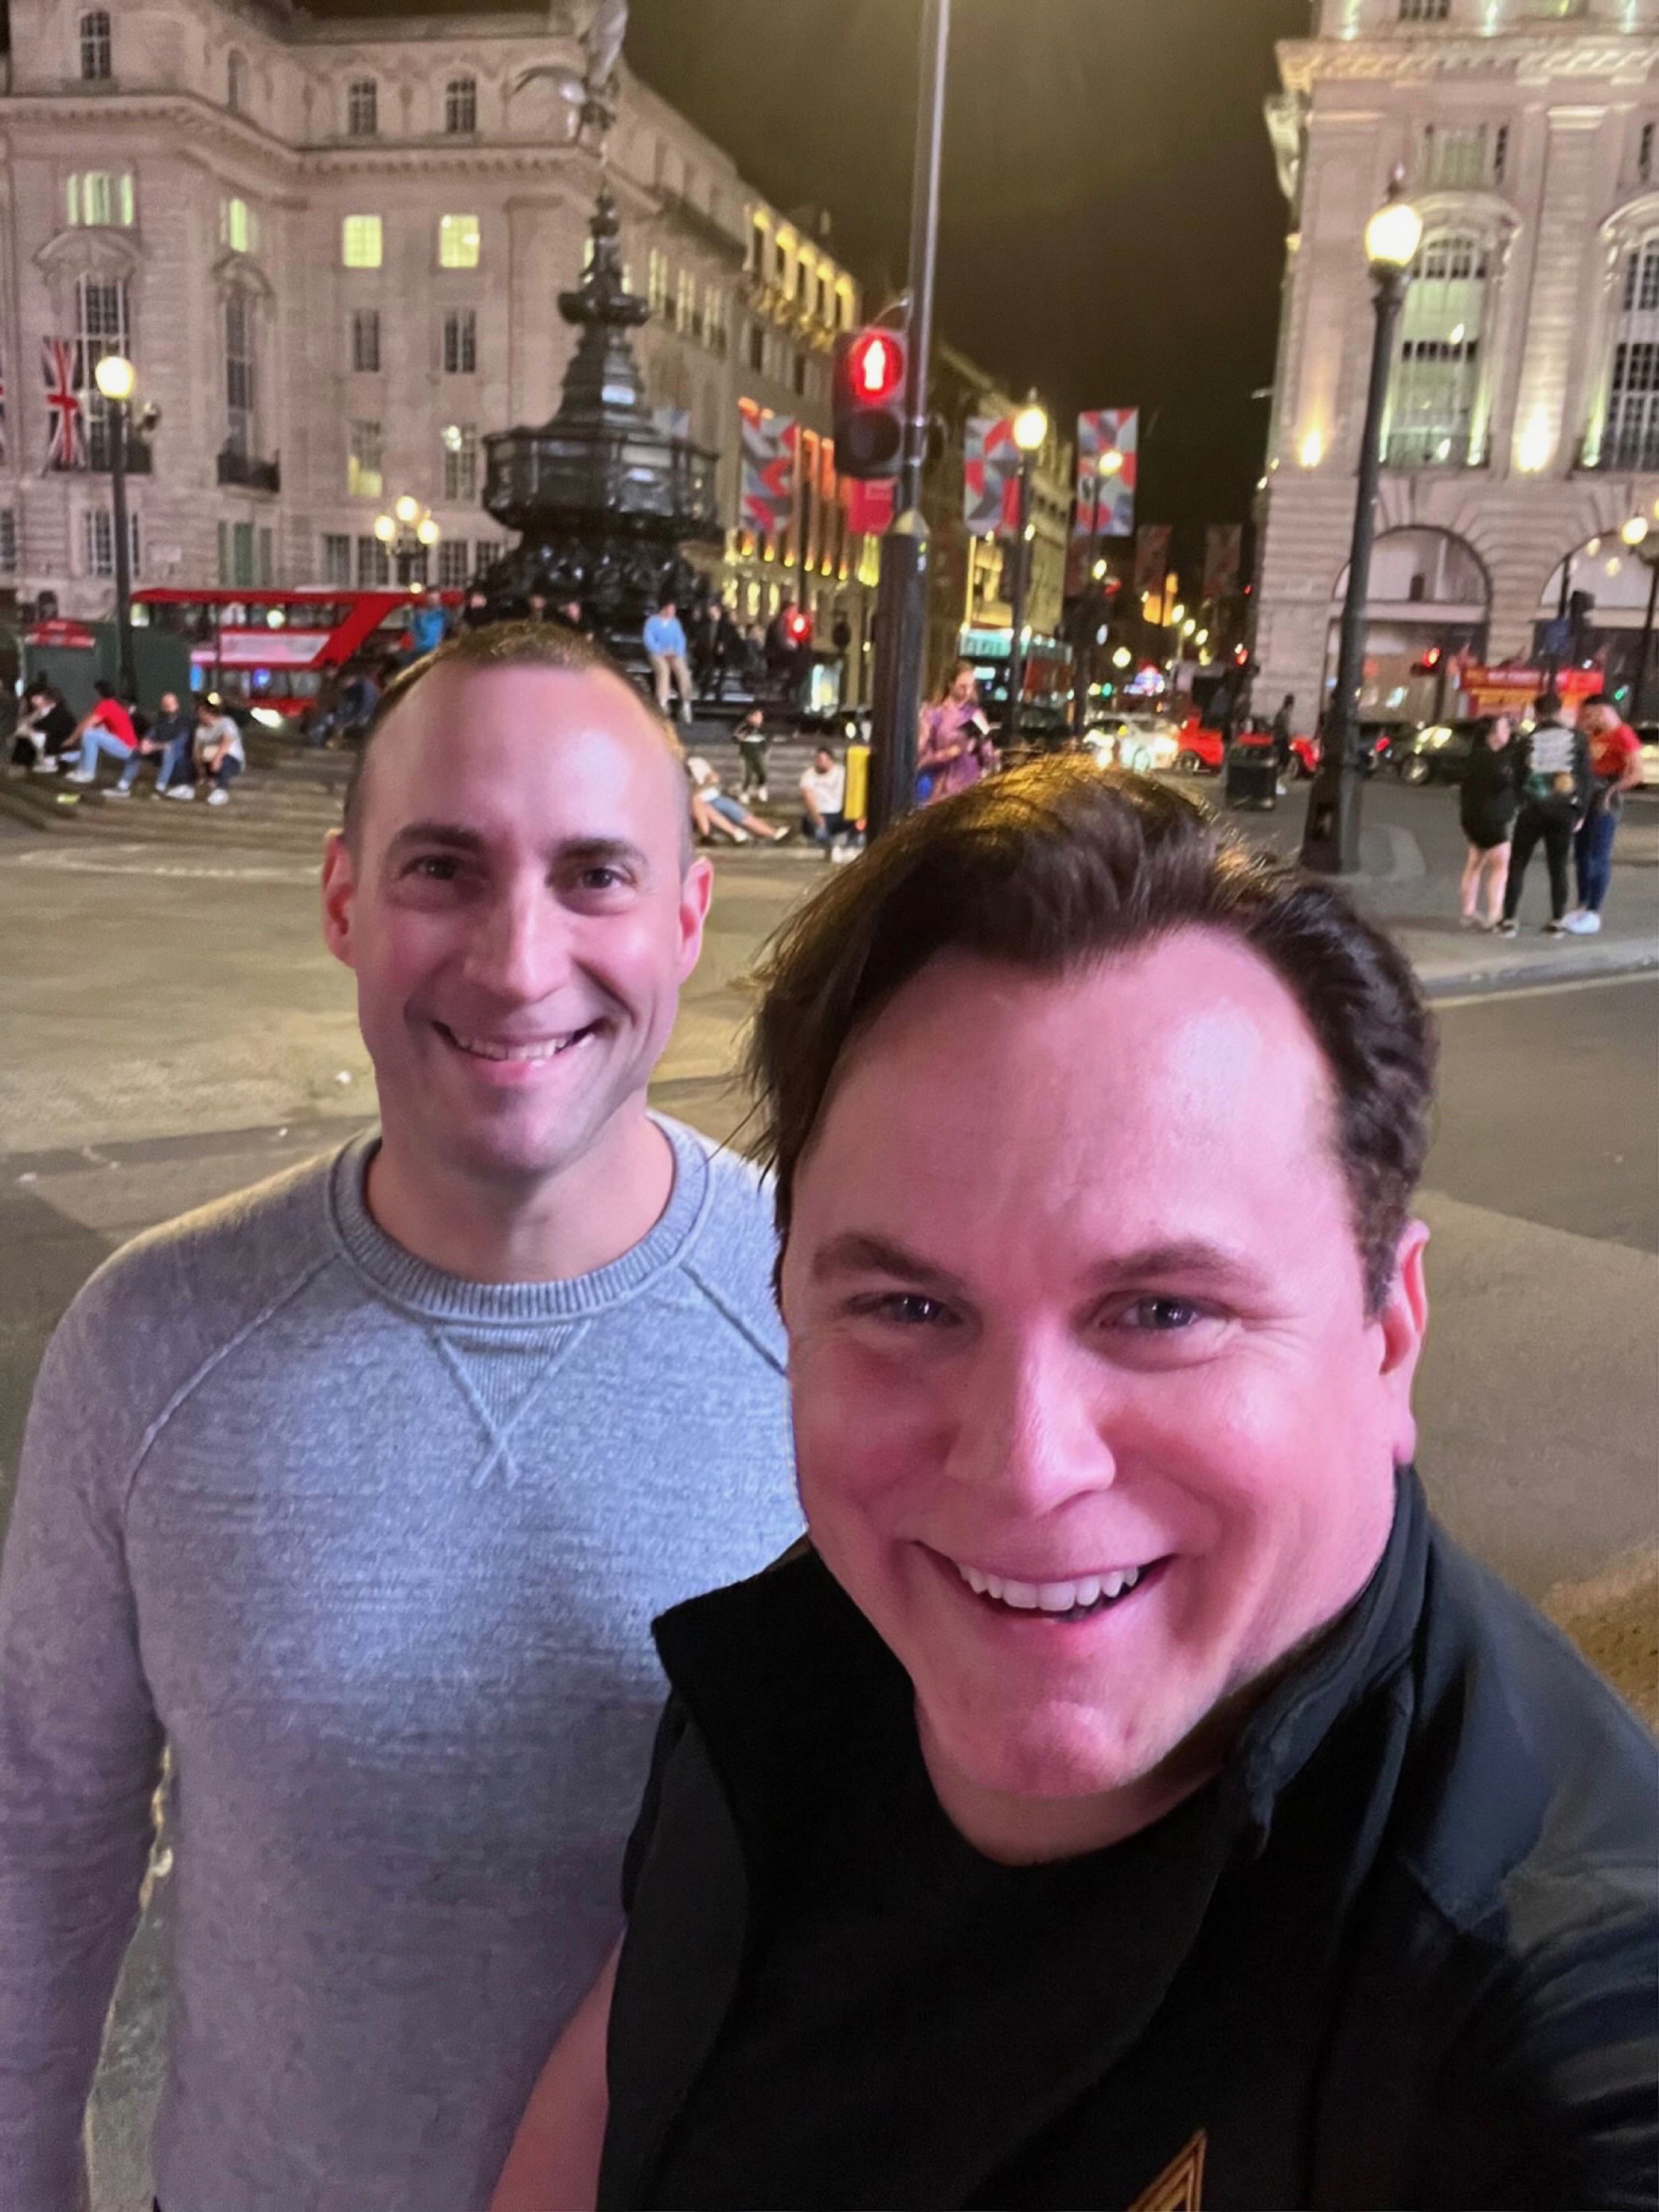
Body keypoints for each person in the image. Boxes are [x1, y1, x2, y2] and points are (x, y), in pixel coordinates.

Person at [496, 760, 1658, 2212]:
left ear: (1387, 1335)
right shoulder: (814, 1651)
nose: (1025, 1467)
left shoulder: (1546, 2037)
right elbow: (627, 2062)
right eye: (909, 1308)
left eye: (1163, 1311)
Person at [0, 621, 801, 2212]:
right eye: (443, 868)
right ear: (343, 902)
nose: (517, 961)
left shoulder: (841, 1327)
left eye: (594, 874)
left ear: (688, 916)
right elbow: (42, 1832)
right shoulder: (149, 1345)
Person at [1497, 691, 1592, 936]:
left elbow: (1516, 776)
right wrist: (1580, 811)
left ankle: (1509, 919)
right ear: (1559, 711)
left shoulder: (1527, 741)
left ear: (1536, 713)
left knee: (1518, 863)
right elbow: (1585, 778)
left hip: (1533, 809)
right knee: (1558, 866)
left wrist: (1521, 801)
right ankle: (1557, 919)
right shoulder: (1578, 739)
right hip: (1564, 810)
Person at [1565, 694, 1645, 935]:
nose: (1586, 720)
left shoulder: (1623, 734)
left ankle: (1593, 911)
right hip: (1585, 798)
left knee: (1596, 856)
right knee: (1581, 853)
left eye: (1589, 715)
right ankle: (1582, 905)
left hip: (1604, 801)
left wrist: (1611, 791)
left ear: (1602, 711)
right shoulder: (1595, 735)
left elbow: (1637, 773)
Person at [1455, 713, 1519, 930]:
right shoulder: (1494, 760)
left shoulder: (1474, 756)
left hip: (1471, 817)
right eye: (1505, 728)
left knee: (1475, 862)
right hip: (1492, 819)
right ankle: (1494, 913)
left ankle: (1468, 911)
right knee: (1500, 865)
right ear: (1492, 734)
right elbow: (1507, 781)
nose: (1509, 732)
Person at [917, 660, 996, 804]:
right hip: (943, 790)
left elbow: (987, 755)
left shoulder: (976, 714)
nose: (967, 692)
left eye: (971, 686)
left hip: (972, 787)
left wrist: (988, 752)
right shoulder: (934, 713)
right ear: (951, 685)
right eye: (962, 687)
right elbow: (920, 757)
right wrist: (948, 753)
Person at [685, 752, 790, 844]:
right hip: (697, 804)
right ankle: (714, 835)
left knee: (742, 815)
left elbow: (713, 778)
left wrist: (698, 790)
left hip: (712, 797)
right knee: (700, 804)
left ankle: (773, 834)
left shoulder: (695, 762)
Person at [64, 679, 139, 786]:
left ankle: (88, 773)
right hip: (124, 746)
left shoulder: (106, 705)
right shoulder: (110, 704)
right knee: (90, 734)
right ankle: (80, 770)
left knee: (89, 734)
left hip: (128, 750)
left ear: (99, 693)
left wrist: (72, 739)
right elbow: (90, 722)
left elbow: (87, 724)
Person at [643, 598, 693, 726]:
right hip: (657, 653)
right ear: (664, 609)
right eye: (671, 609)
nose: (673, 612)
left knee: (682, 670)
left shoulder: (675, 623)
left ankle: (686, 703)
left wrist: (677, 652)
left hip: (673, 653)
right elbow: (649, 640)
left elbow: (680, 640)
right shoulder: (652, 622)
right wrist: (661, 651)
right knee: (663, 670)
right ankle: (663, 703)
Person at [193, 694, 246, 807]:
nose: (199, 715)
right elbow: (196, 751)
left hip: (232, 760)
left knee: (224, 761)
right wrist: (200, 769)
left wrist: (217, 759)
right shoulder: (200, 730)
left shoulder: (226, 722)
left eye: (202, 712)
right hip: (209, 760)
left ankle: (221, 791)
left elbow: (227, 741)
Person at [798, 744, 847, 846]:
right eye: (817, 759)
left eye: (821, 760)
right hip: (818, 813)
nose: (818, 762)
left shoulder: (841, 772)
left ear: (830, 760)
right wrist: (817, 817)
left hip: (837, 813)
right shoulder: (809, 774)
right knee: (815, 826)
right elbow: (807, 795)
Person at [732, 706, 774, 803]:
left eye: (760, 716)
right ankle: (744, 793)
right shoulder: (743, 727)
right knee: (747, 775)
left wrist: (764, 750)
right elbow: (735, 739)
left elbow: (768, 740)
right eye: (756, 716)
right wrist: (742, 736)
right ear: (750, 717)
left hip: (760, 753)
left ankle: (761, 788)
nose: (759, 718)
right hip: (746, 754)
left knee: (763, 773)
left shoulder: (765, 728)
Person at [409, 586, 450, 659]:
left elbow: (447, 630)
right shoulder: (418, 614)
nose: (434, 601)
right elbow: (413, 631)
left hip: (437, 650)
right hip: (420, 651)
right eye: (432, 598)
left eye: (436, 599)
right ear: (426, 598)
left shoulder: (444, 613)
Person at [1270, 692, 1295, 794]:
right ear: (1290, 704)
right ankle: (1275, 783)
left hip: (1279, 740)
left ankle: (1276, 783)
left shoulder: (1281, 713)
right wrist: (1289, 741)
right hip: (1281, 740)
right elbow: (1285, 729)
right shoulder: (1284, 714)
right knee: (1282, 762)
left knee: (1281, 762)